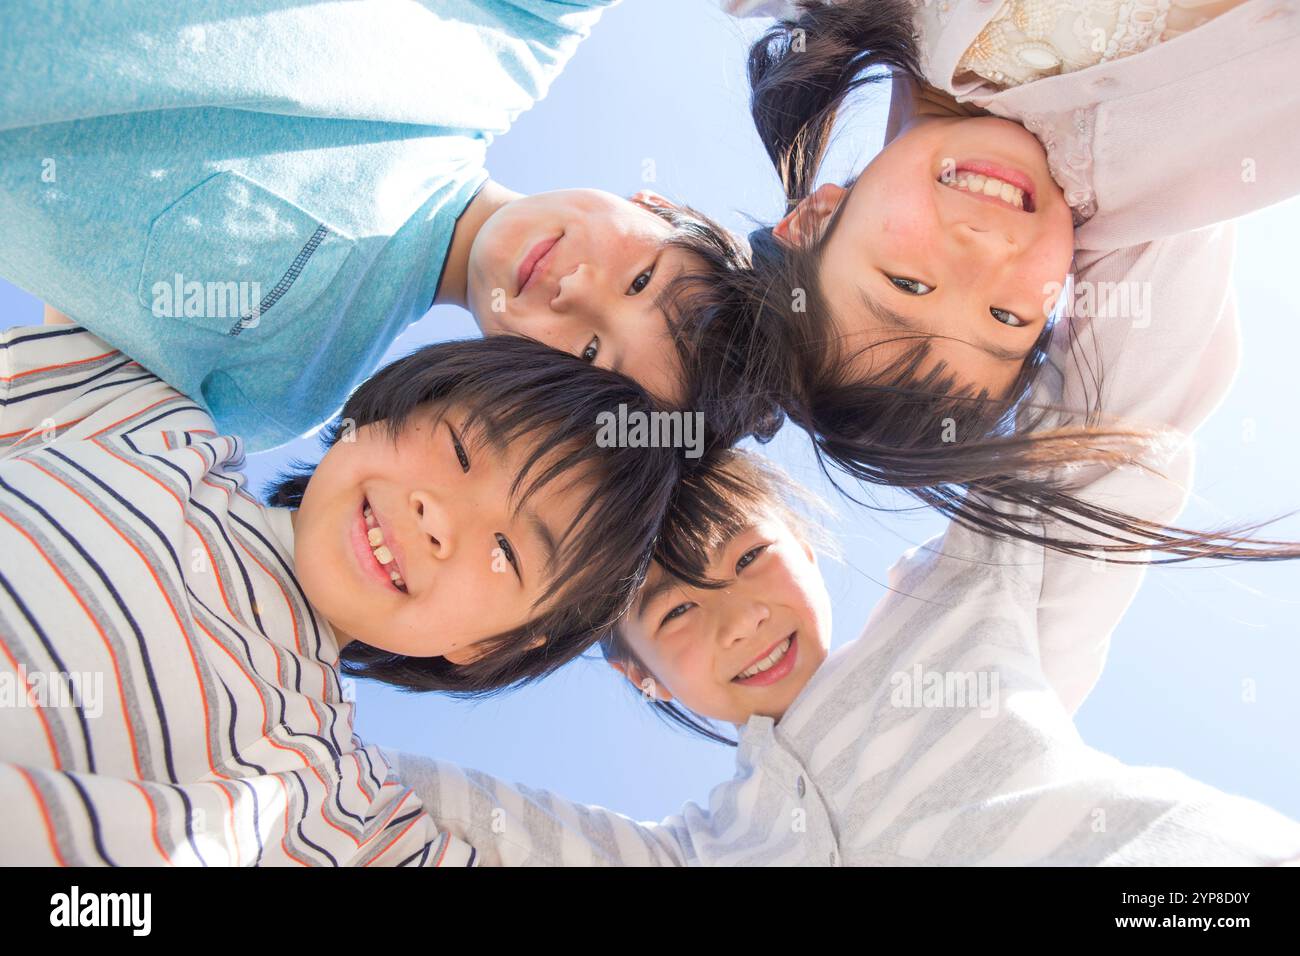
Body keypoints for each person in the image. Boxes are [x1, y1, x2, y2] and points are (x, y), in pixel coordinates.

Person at [0, 306, 696, 864]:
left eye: (509, 551)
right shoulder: (154, 423)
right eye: (459, 449)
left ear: (489, 645)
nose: (438, 519)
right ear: (387, 408)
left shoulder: (327, 801)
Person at [0, 0, 748, 451]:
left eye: (589, 352)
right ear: (660, 209)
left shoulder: (286, 389)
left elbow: (55, 385)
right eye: (642, 278)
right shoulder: (516, 29)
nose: (577, 289)